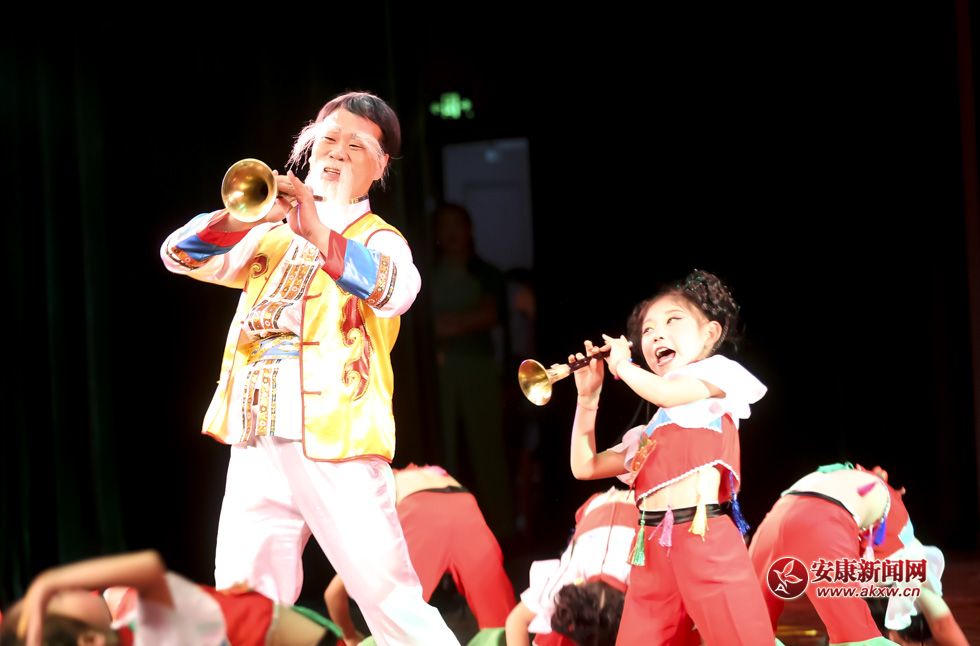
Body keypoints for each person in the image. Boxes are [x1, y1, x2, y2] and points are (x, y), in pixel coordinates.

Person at [160, 91, 457, 644]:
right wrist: (243, 216)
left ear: (380, 167)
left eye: (355, 146)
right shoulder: (267, 231)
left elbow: (396, 291)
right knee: (245, 598)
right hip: (256, 430)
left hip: (334, 439)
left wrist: (318, 230)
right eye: (328, 140)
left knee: (387, 597)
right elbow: (176, 255)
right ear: (308, 147)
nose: (337, 152)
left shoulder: (379, 238)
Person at [566, 269, 775, 645]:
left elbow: (665, 394)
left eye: (672, 320)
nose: (656, 334)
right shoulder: (649, 433)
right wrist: (588, 397)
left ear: (710, 333)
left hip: (703, 538)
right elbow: (585, 466)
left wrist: (622, 366)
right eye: (647, 330)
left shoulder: (719, 376)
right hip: (649, 551)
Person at [749, 463, 966, 646]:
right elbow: (942, 624)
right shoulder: (907, 551)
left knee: (749, 630)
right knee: (856, 638)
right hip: (824, 519)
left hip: (775, 518)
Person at [324, 464, 515, 645]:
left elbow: (333, 594)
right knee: (504, 627)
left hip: (417, 511)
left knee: (395, 625)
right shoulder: (418, 475)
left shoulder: (376, 498)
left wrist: (350, 635)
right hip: (463, 504)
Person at [0, 550, 338, 646]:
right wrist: (47, 582)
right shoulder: (148, 627)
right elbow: (148, 566)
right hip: (270, 630)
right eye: (57, 600)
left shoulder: (129, 623)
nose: (62, 591)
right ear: (90, 640)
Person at [430, 202, 514, 538]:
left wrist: (445, 327)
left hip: (478, 368)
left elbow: (489, 316)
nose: (450, 233)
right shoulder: (425, 273)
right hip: (438, 374)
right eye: (444, 225)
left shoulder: (486, 273)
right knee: (443, 450)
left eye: (457, 225)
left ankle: (502, 529)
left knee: (487, 447)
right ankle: (449, 533)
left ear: (469, 230)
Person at [505, 487, 637, 646]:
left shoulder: (642, 582)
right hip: (602, 508)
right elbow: (516, 622)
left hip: (638, 507)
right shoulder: (564, 583)